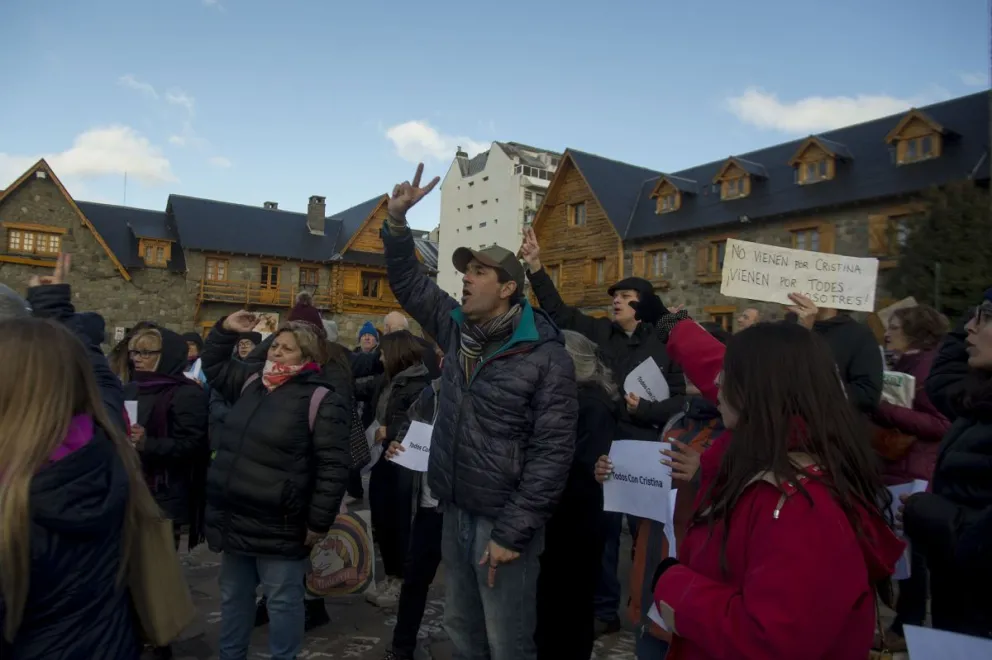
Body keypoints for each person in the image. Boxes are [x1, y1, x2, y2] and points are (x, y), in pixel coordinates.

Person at [381, 164, 578, 660]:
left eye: (478, 272)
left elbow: (552, 454)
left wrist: (513, 532)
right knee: (463, 630)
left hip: (503, 521)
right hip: (454, 509)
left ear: (508, 288)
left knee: (506, 640)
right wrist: (397, 223)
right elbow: (409, 283)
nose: (465, 279)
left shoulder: (545, 356)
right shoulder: (456, 329)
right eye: (465, 271)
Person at [635, 297, 904, 658]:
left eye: (729, 373)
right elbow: (714, 362)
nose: (716, 381)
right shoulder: (773, 439)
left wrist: (675, 586)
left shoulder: (801, 508)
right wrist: (675, 327)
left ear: (758, 391)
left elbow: (770, 640)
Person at [520, 226, 685, 635]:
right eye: (614, 296)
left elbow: (681, 401)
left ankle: (652, 610)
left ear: (643, 304)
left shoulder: (666, 343)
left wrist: (645, 409)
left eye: (625, 296)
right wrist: (535, 267)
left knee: (648, 535)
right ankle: (604, 609)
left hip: (648, 450)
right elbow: (559, 312)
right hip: (607, 451)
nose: (616, 301)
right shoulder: (599, 332)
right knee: (605, 533)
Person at [0, 255, 160, 659]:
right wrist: (54, 308)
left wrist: (50, 307)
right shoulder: (105, 445)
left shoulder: (12, 494)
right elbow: (102, 380)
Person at [201, 312, 352, 660]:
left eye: (287, 348)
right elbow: (215, 366)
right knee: (234, 598)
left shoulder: (320, 399)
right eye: (275, 346)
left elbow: (333, 467)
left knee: (283, 601)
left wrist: (318, 522)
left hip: (281, 523)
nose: (276, 352)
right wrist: (224, 330)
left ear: (307, 356)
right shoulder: (251, 383)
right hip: (237, 516)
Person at [597, 321, 729, 660]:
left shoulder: (737, 433)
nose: (686, 370)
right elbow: (647, 491)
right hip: (654, 559)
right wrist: (613, 474)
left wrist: (705, 473)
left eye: (696, 363)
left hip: (697, 573)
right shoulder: (677, 420)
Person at [903, 290, 992, 638]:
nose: (969, 326)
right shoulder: (978, 398)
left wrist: (931, 514)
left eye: (985, 317)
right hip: (960, 608)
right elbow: (945, 379)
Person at [535, 330, 619, 660]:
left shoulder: (592, 405)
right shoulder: (571, 399)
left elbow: (584, 465)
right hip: (561, 513)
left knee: (571, 603)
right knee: (553, 600)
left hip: (577, 518)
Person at [871, 305, 950, 650]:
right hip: (897, 467)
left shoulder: (927, 366)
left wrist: (883, 407)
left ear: (917, 332)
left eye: (896, 327)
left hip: (914, 471)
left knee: (911, 558)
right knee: (904, 556)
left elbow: (939, 424)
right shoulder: (905, 362)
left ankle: (907, 628)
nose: (888, 333)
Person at [124, 326, 210, 556]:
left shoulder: (186, 393)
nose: (137, 359)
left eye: (146, 353)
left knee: (156, 563)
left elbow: (193, 446)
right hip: (130, 484)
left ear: (167, 356)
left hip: (165, 490)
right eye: (134, 352)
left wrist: (148, 444)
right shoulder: (131, 388)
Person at [363, 330, 433, 608]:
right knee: (381, 516)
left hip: (404, 461)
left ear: (396, 354)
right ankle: (391, 575)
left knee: (400, 521)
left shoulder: (420, 384)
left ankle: (402, 581)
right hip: (382, 455)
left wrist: (390, 431)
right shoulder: (387, 380)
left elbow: (420, 421)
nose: (380, 358)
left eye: (383, 353)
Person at [381, 377, 443, 660]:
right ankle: (401, 648)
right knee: (415, 579)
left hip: (463, 510)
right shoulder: (434, 391)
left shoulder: (490, 390)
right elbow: (410, 424)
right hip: (429, 505)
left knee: (470, 591)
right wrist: (399, 443)